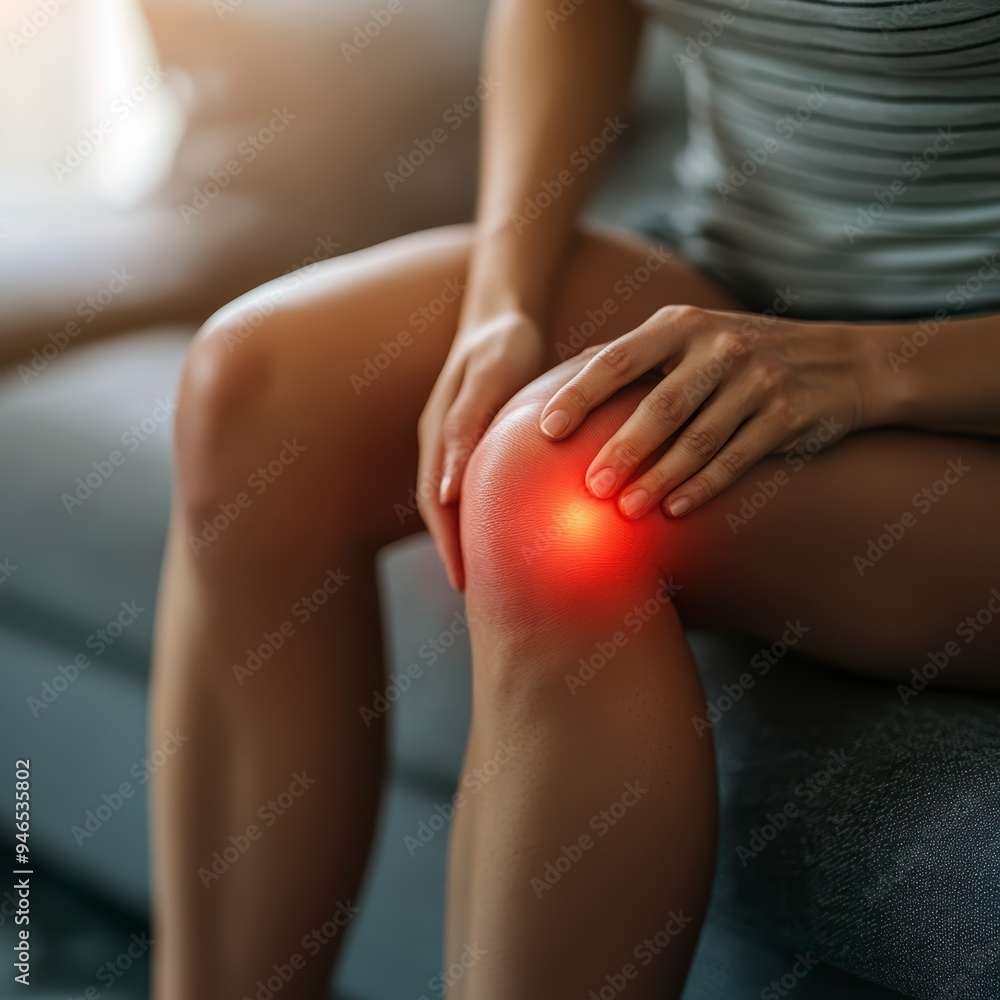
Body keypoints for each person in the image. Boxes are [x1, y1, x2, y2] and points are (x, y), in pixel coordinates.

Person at [148, 0, 1000, 996]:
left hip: (959, 398)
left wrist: (871, 369)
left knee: (562, 494)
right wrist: (499, 300)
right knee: (255, 385)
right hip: (741, 287)